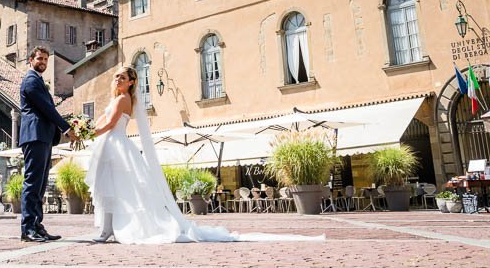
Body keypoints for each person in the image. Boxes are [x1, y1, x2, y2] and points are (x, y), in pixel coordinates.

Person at [84, 66, 324, 245]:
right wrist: (86, 130)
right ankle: (108, 229)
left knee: (116, 189)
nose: (118, 79)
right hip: (110, 145)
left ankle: (111, 230)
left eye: (122, 77)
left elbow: (111, 123)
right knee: (110, 189)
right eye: (116, 76)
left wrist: (88, 134)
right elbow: (102, 122)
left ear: (131, 83)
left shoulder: (124, 99)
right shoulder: (117, 98)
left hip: (116, 145)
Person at [18, 45, 77, 243]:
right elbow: (47, 109)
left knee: (40, 185)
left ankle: (37, 225)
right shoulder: (31, 80)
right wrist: (67, 128)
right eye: (39, 59)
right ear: (31, 61)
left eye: (45, 59)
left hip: (42, 136)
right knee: (32, 183)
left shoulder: (38, 81)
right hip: (34, 136)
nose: (42, 62)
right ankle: (27, 229)